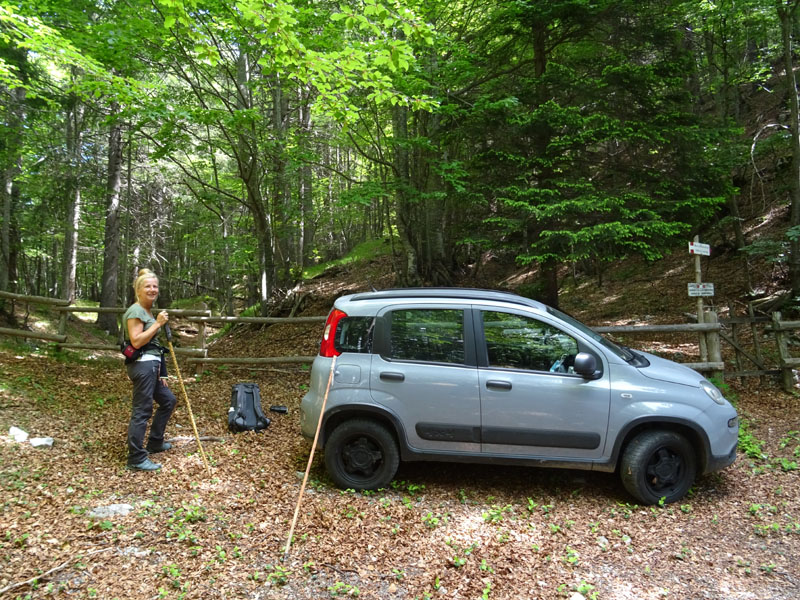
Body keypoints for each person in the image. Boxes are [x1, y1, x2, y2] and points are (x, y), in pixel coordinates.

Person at [122, 268, 177, 471]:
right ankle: (136, 458)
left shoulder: (147, 311)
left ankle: (154, 442)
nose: (153, 289)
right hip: (142, 366)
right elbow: (136, 342)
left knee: (168, 400)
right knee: (142, 411)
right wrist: (159, 324)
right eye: (148, 286)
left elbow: (154, 345)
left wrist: (162, 371)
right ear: (138, 290)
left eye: (155, 286)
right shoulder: (136, 311)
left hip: (152, 366)